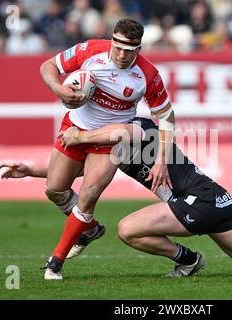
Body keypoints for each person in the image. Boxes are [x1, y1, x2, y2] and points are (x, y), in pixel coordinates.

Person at [0, 118, 232, 279]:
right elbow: (80, 173)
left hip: (200, 200)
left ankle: (188, 260)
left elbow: (122, 130)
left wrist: (79, 137)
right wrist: (29, 171)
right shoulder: (114, 150)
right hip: (217, 198)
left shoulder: (140, 128)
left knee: (128, 229)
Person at [39, 18, 175, 279]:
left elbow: (167, 118)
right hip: (74, 130)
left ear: (139, 49)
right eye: (119, 48)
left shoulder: (147, 75)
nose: (123, 55)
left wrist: (161, 161)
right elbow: (48, 67)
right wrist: (60, 90)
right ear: (112, 41)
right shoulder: (89, 51)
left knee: (88, 197)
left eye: (130, 50)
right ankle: (89, 230)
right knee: (55, 189)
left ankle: (55, 262)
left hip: (110, 140)